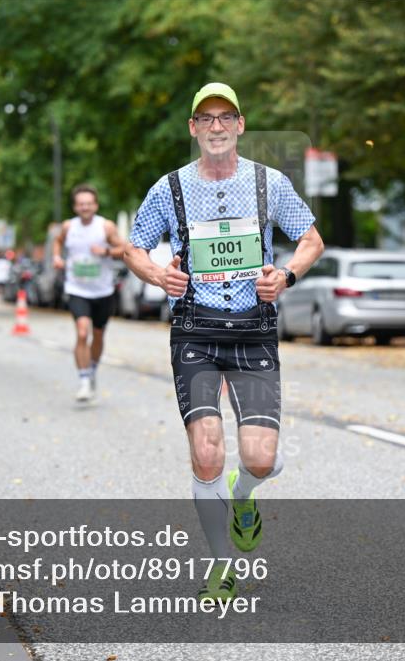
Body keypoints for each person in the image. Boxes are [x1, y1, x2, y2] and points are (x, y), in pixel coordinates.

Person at [124, 83, 324, 602]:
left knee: (260, 459)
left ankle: (244, 495)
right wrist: (156, 277)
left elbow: (311, 239)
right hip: (195, 331)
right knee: (206, 450)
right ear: (193, 128)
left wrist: (287, 276)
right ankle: (220, 565)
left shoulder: (269, 182)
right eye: (205, 118)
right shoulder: (168, 189)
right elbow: (135, 249)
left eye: (225, 117)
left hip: (254, 331)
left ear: (239, 125)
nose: (215, 126)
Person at [53, 184, 125, 401]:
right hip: (77, 288)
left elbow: (124, 250)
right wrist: (57, 257)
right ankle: (84, 379)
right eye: (81, 204)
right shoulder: (68, 227)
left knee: (99, 334)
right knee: (82, 332)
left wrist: (105, 251)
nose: (85, 207)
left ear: (95, 205)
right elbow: (58, 241)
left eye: (88, 203)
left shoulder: (106, 227)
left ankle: (92, 368)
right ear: (75, 207)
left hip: (103, 290)